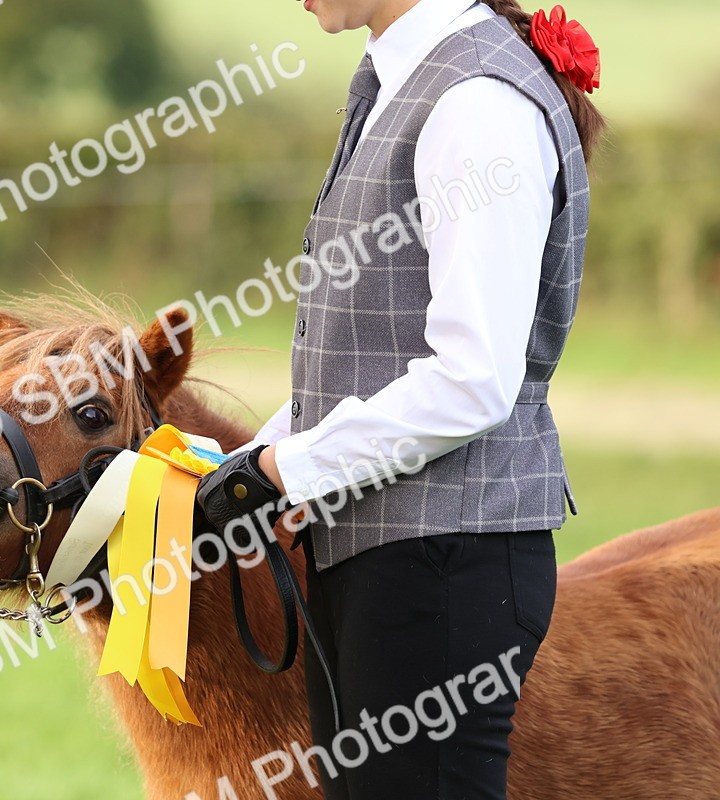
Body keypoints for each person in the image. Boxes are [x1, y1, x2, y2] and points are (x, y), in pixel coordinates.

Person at [196, 0, 604, 796]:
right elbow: (377, 359)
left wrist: (289, 468)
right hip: (388, 558)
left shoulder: (477, 103)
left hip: (445, 564)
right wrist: (248, 460)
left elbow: (473, 379)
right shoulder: (397, 76)